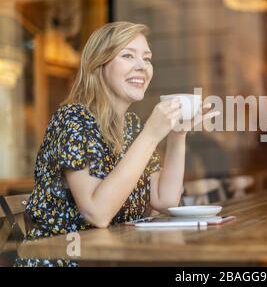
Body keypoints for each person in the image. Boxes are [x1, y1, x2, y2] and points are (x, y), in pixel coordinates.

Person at [15, 21, 219, 267]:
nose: (142, 67)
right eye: (128, 56)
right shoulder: (72, 119)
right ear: (99, 65)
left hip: (110, 260)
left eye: (147, 58)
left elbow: (165, 201)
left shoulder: (132, 125)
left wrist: (177, 135)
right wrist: (152, 135)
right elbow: (97, 213)